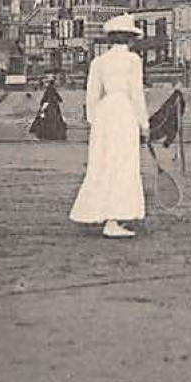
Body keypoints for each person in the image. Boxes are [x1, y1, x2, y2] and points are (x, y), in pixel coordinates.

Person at [69, 15, 150, 238]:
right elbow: (136, 93)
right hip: (123, 111)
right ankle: (114, 219)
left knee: (103, 162)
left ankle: (104, 214)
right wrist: (144, 123)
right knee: (123, 163)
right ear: (130, 39)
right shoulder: (133, 61)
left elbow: (91, 97)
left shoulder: (99, 62)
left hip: (105, 114)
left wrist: (96, 122)